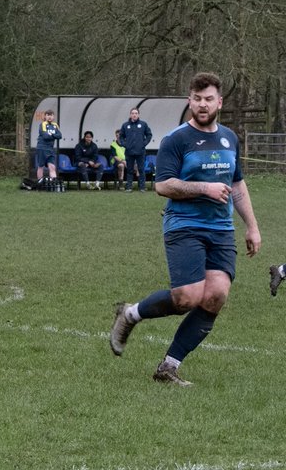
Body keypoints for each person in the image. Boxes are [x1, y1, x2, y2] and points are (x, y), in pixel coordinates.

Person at [109, 72, 261, 387]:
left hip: (220, 229)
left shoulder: (230, 138)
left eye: (208, 99)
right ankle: (130, 314)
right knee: (187, 298)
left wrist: (252, 227)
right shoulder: (176, 140)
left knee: (216, 295)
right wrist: (203, 188)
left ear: (220, 102)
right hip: (184, 226)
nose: (202, 105)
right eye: (197, 98)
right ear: (188, 101)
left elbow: (237, 185)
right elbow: (163, 185)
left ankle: (168, 367)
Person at [119, 108, 153, 192]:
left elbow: (149, 135)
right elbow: (121, 137)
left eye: (136, 113)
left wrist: (144, 143)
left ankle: (142, 187)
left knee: (141, 169)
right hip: (129, 151)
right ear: (130, 115)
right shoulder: (125, 125)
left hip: (140, 151)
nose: (134, 115)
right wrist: (125, 144)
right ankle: (129, 187)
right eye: (133, 113)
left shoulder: (143, 124)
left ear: (138, 115)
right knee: (130, 170)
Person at [35, 110, 61, 182]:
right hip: (42, 147)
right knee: (41, 166)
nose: (49, 116)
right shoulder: (43, 124)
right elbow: (45, 136)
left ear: (53, 116)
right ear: (45, 116)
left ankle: (54, 183)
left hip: (50, 149)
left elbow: (59, 136)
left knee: (52, 167)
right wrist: (54, 136)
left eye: (51, 115)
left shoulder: (55, 125)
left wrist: (51, 135)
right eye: (48, 115)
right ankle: (40, 182)